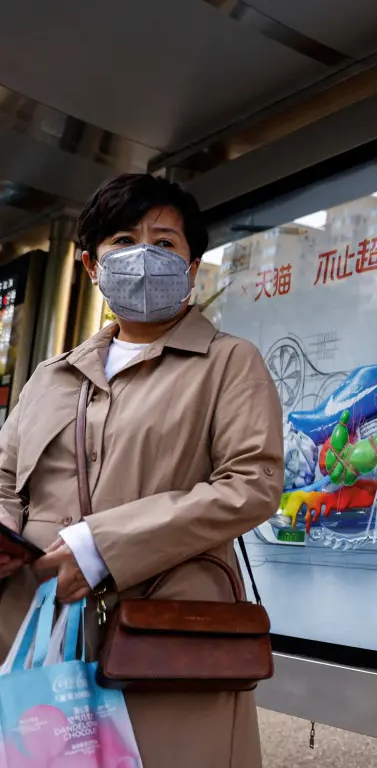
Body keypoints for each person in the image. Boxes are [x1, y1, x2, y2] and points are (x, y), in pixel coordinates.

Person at [0, 174, 284, 767]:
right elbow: (4, 477)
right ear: (90, 265)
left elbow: (251, 485)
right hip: (32, 629)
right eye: (124, 242)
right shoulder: (51, 377)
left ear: (193, 264)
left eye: (164, 242)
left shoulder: (229, 363)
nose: (144, 257)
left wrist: (97, 546)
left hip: (164, 637)